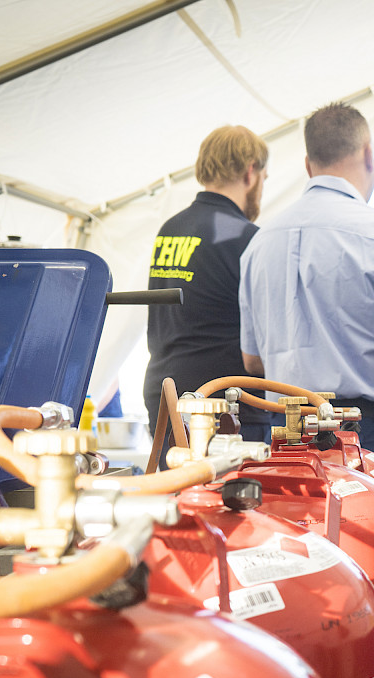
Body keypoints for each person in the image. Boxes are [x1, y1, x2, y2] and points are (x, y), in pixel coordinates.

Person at [239, 102, 374, 607]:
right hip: (367, 442)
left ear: (308, 164)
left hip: (286, 443)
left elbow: (253, 365)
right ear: (368, 154)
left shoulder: (260, 244)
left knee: (302, 590)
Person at [143, 125, 278, 454]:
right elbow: (268, 335)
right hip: (225, 409)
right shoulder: (246, 238)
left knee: (180, 502)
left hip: (166, 395)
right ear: (251, 172)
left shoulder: (170, 229)